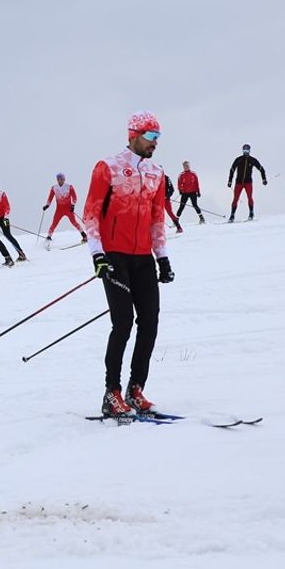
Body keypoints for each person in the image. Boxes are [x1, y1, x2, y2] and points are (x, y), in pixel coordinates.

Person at [83, 111, 174, 418]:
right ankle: (112, 393)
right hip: (114, 256)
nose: (155, 143)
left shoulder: (157, 173)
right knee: (122, 323)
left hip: (143, 258)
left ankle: (136, 389)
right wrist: (97, 254)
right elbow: (91, 214)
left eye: (158, 137)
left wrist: (162, 258)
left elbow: (157, 218)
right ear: (134, 134)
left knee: (150, 321)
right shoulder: (108, 167)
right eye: (151, 136)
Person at [43, 172, 87, 246]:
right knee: (54, 223)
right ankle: (49, 237)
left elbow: (75, 197)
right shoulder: (54, 188)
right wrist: (47, 205)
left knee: (74, 222)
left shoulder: (69, 187)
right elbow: (50, 198)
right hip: (59, 210)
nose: (60, 181)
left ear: (64, 179)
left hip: (68, 209)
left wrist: (73, 205)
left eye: (62, 179)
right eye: (59, 179)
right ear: (57, 180)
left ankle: (84, 236)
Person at [227, 144, 268, 222]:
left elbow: (261, 169)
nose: (246, 151)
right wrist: (230, 181)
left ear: (249, 150)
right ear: (242, 150)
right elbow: (232, 170)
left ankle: (251, 213)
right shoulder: (238, 159)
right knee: (235, 199)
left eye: (247, 150)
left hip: (248, 182)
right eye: (244, 150)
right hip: (238, 182)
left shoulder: (252, 160)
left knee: (249, 197)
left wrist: (264, 179)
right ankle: (232, 215)